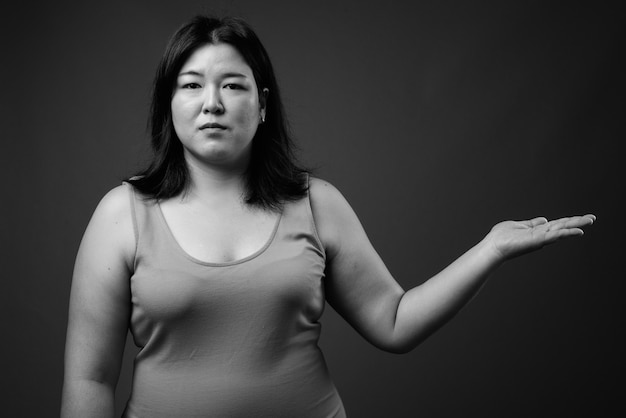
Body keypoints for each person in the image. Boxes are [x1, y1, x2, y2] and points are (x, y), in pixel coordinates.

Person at [61, 15, 595, 418]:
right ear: (169, 103)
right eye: (192, 84)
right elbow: (91, 379)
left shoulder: (317, 202)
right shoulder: (121, 214)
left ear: (263, 104)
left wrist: (490, 250)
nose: (212, 102)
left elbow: (394, 321)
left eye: (233, 84)